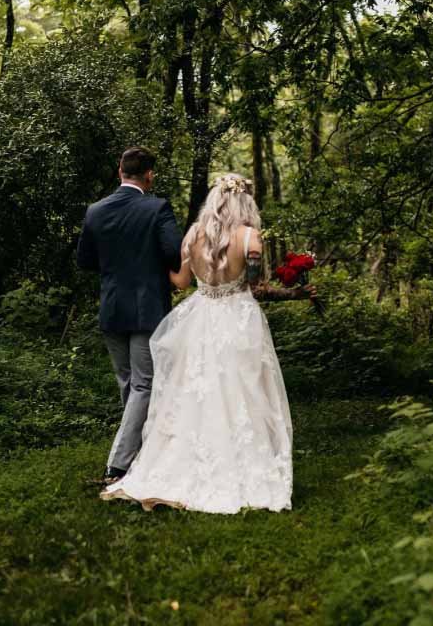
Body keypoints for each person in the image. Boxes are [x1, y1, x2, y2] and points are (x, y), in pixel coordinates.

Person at [100, 172, 314, 513]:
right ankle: (240, 464)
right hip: (238, 319)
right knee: (243, 391)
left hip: (199, 318)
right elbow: (258, 290)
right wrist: (295, 292)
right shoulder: (250, 239)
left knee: (192, 391)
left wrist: (148, 266)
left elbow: (181, 282)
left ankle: (180, 464)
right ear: (246, 203)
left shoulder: (193, 236)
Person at [77, 147, 183, 485]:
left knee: (130, 384)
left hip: (111, 307)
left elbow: (85, 261)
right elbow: (173, 253)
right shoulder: (157, 208)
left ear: (119, 170)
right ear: (149, 174)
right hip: (146, 307)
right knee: (142, 385)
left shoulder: (95, 211)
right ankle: (118, 465)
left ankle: (136, 452)